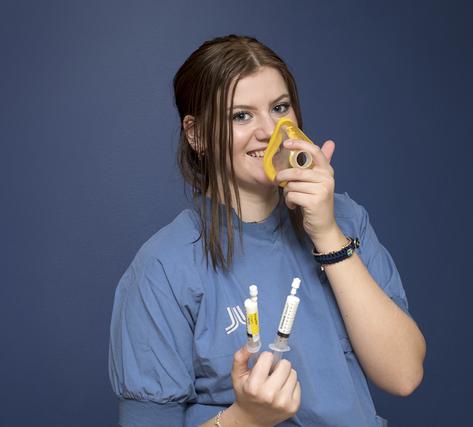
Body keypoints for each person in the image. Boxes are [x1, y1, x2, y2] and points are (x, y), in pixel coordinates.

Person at [109, 34, 426, 427]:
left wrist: (327, 234)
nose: (269, 130)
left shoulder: (345, 219)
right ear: (196, 135)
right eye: (241, 115)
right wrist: (247, 417)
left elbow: (404, 374)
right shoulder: (163, 268)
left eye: (280, 108)